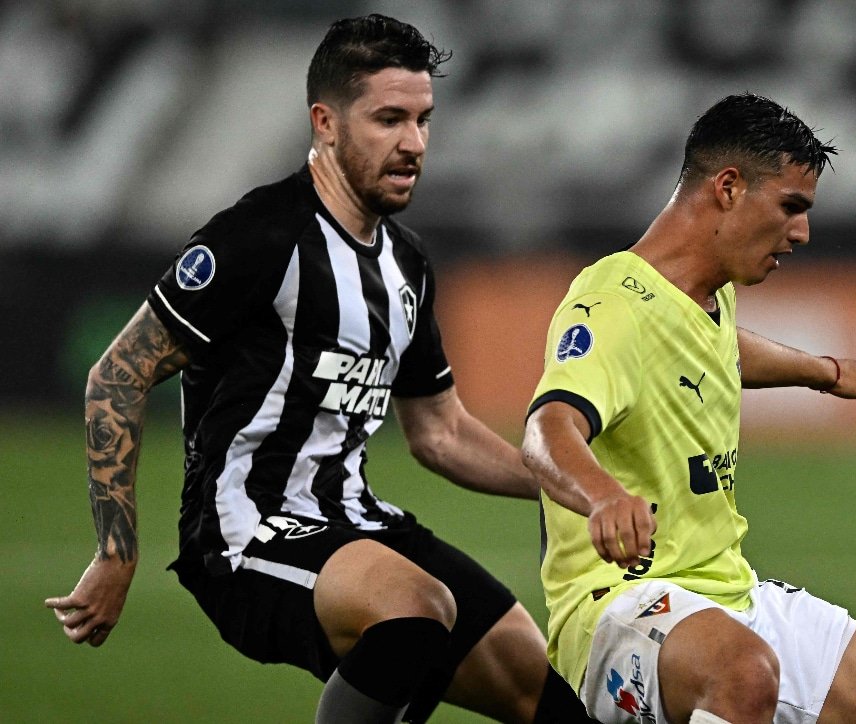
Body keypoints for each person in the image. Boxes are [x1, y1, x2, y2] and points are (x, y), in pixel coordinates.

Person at [45, 14, 595, 724]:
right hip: (247, 532)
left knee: (527, 672)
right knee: (416, 612)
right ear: (325, 123)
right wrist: (116, 552)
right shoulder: (261, 235)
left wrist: (576, 488)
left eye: (424, 120)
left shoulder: (407, 264)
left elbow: (440, 432)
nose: (413, 144)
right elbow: (116, 377)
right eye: (389, 120)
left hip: (355, 521)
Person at [522, 93, 856, 724]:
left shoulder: (706, 293)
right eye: (791, 206)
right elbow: (547, 427)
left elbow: (719, 349)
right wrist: (600, 496)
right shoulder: (612, 302)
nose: (802, 232)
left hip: (730, 591)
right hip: (619, 603)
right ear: (728, 188)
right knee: (742, 676)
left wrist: (825, 371)